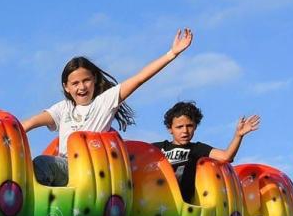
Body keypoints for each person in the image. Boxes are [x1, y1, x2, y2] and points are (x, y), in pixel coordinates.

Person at [22, 29, 194, 187]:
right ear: (66, 87)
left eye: (86, 80)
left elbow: (139, 79)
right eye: (75, 83)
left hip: (87, 169)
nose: (81, 87)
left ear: (95, 80)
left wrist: (172, 54)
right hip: (64, 167)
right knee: (26, 167)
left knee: (42, 164)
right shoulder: (63, 108)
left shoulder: (104, 102)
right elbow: (30, 123)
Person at [152, 101, 261, 201]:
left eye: (189, 126)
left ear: (195, 126)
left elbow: (226, 156)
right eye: (179, 127)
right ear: (170, 129)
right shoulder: (158, 148)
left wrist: (238, 135)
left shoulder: (197, 148)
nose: (185, 131)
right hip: (157, 202)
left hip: (184, 206)